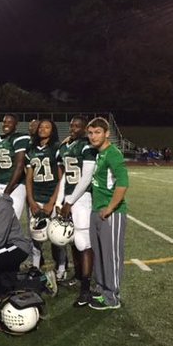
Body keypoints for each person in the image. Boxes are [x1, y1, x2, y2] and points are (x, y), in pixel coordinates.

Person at [86, 117, 129, 310]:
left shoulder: (113, 154)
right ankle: (103, 290)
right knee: (100, 254)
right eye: (91, 132)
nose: (93, 136)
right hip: (97, 210)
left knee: (111, 255)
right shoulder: (99, 154)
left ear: (106, 134)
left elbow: (123, 183)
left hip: (111, 213)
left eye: (97, 132)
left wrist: (110, 208)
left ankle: (112, 297)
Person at [56, 116, 98, 305]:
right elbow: (65, 176)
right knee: (72, 240)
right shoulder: (66, 146)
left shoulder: (86, 146)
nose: (73, 128)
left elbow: (87, 176)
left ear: (85, 129)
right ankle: (79, 275)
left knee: (83, 242)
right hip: (69, 199)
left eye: (77, 126)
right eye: (72, 125)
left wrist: (70, 201)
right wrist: (60, 200)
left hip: (82, 199)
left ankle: (86, 288)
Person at [25, 119, 61, 269]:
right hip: (37, 197)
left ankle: (61, 268)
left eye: (47, 127)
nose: (43, 129)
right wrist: (31, 201)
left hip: (52, 195)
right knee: (35, 236)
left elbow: (61, 178)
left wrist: (52, 202)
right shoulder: (31, 149)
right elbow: (29, 178)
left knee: (57, 236)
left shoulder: (56, 148)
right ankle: (35, 267)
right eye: (41, 127)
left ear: (52, 131)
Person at [0, 114, 30, 220]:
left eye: (10, 122)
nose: (6, 124)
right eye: (4, 122)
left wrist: (7, 191)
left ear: (16, 124)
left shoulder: (19, 138)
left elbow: (19, 165)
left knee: (12, 220)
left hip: (15, 185)